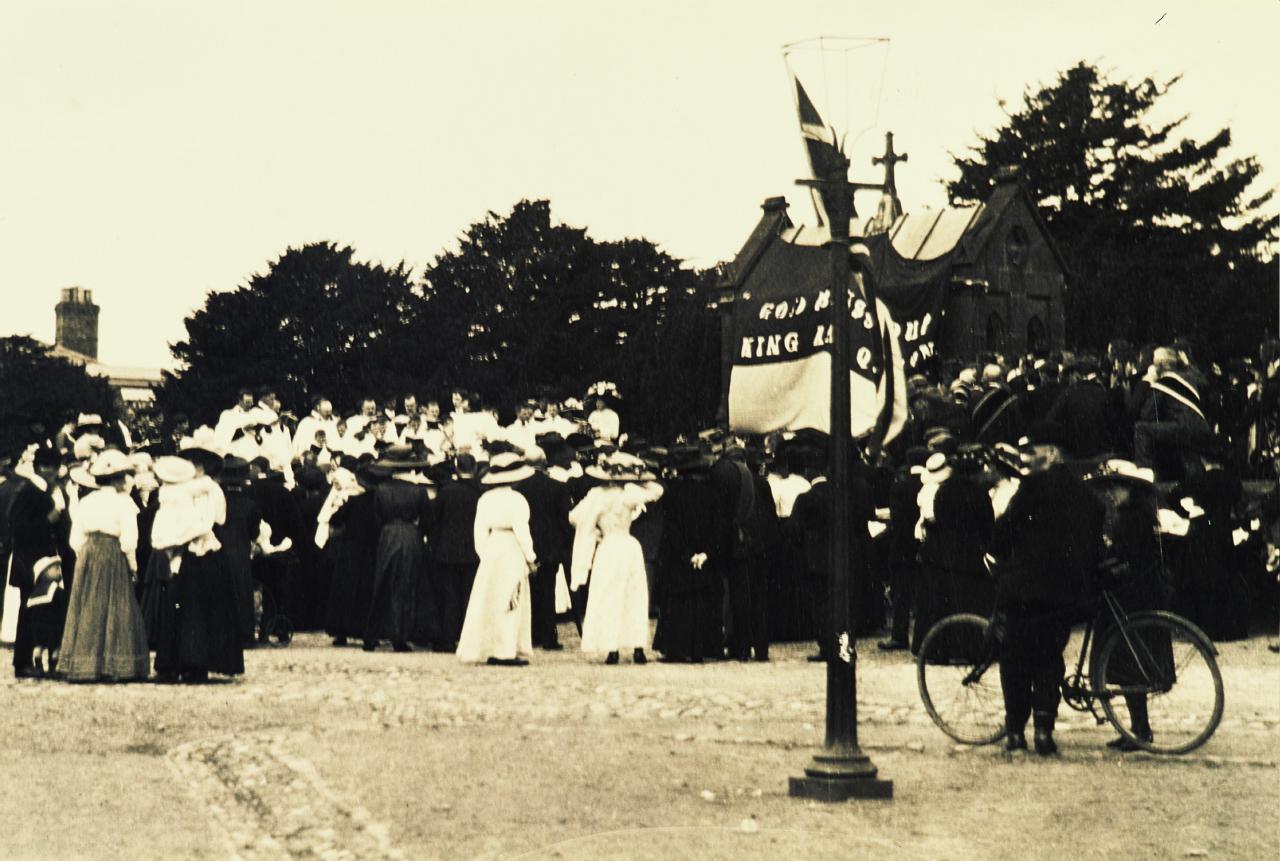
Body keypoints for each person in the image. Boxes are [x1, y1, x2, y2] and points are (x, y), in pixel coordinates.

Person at [990, 421, 1104, 755]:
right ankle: (1043, 731)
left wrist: (998, 551)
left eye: (1033, 452)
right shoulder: (1084, 492)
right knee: (1050, 658)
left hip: (1025, 588)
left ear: (1051, 453)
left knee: (1014, 657)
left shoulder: (1035, 486)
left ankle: (1014, 731)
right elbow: (1095, 526)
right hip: (1064, 593)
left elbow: (1007, 526)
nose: (1027, 458)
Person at [58, 450, 150, 682]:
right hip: (112, 553)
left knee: (88, 604)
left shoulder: (87, 501)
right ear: (119, 478)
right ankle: (114, 664)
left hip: (88, 552)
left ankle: (85, 663)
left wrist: (85, 556)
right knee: (116, 605)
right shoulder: (125, 502)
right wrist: (133, 566)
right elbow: (129, 540)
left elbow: (74, 539)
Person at [570, 452, 663, 664]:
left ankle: (611, 648)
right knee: (634, 596)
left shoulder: (596, 496)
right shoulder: (629, 494)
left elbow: (574, 517)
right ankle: (638, 647)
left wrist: (596, 531)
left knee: (608, 596)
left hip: (608, 546)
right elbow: (657, 490)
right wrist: (639, 477)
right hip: (628, 544)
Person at [457, 453, 538, 665]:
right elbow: (522, 531)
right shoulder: (518, 500)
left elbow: (479, 532)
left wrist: (485, 555)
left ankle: (490, 646)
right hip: (511, 547)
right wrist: (531, 557)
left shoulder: (485, 499)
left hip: (493, 547)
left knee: (490, 597)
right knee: (511, 597)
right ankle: (506, 649)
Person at [653, 445, 724, 662]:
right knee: (703, 600)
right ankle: (703, 647)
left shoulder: (672, 493)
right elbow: (718, 527)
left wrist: (685, 554)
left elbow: (670, 530)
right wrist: (705, 553)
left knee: (679, 602)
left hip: (678, 558)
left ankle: (677, 648)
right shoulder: (712, 493)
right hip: (705, 556)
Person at [364, 446, 435, 651]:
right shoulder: (418, 491)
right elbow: (428, 520)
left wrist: (387, 530)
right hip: (410, 535)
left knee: (382, 584)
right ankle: (400, 636)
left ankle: (372, 636)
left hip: (388, 535)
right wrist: (417, 532)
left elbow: (376, 518)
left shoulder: (381, 490)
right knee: (407, 586)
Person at [7, 446, 69, 678]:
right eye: (54, 468)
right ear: (43, 468)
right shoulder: (28, 492)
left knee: (43, 610)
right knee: (28, 611)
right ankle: (22, 662)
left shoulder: (43, 490)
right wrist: (48, 520)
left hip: (43, 560)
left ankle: (35, 659)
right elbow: (19, 528)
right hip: (29, 563)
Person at [514, 446, 572, 650]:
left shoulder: (519, 488)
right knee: (548, 592)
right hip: (550, 546)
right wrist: (564, 545)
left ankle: (531, 635)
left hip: (527, 544)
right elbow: (565, 521)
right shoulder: (558, 487)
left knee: (529, 592)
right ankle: (548, 637)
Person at [322, 461, 380, 645]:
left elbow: (335, 519)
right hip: (371, 550)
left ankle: (342, 632)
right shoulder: (378, 500)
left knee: (345, 590)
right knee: (366, 591)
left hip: (351, 549)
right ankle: (365, 630)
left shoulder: (354, 502)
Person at [428, 454, 483, 651]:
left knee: (449, 596)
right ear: (475, 468)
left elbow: (435, 521)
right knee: (470, 595)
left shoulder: (446, 492)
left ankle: (448, 638)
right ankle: (471, 638)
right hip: (473, 550)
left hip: (447, 550)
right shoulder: (479, 492)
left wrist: (434, 546)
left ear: (457, 468)